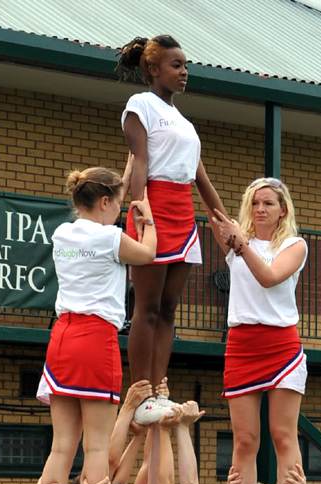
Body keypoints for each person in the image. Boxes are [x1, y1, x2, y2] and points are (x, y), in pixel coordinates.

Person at [36, 164, 157, 484]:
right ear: (104, 201)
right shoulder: (111, 238)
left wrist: (121, 186)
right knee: (97, 447)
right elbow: (148, 254)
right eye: (117, 204)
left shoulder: (62, 233)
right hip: (95, 337)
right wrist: (148, 222)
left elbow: (100, 227)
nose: (120, 211)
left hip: (62, 336)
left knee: (61, 446)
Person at [116, 35, 227, 422]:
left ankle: (159, 390)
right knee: (146, 308)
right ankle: (139, 394)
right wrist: (140, 206)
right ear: (153, 69)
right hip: (154, 207)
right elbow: (140, 161)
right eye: (176, 65)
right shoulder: (140, 105)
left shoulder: (186, 123)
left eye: (185, 65)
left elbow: (201, 179)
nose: (184, 72)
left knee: (168, 309)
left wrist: (225, 221)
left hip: (183, 212)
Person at [209, 177, 308, 484]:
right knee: (245, 440)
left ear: (283, 210)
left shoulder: (294, 245)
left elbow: (268, 278)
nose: (261, 209)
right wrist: (194, 162)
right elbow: (213, 208)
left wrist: (241, 243)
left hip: (281, 344)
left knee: (282, 436)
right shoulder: (237, 242)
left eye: (268, 203)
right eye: (255, 203)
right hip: (241, 345)